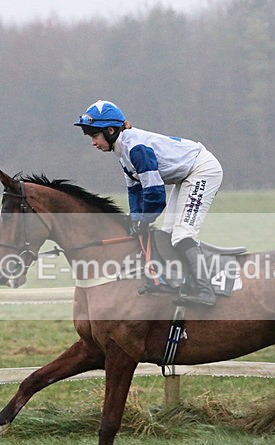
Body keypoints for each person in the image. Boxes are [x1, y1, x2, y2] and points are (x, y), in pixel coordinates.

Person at [74, 100, 223, 307]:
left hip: (202, 170)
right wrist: (136, 219)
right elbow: (135, 191)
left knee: (182, 234)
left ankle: (205, 291)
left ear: (110, 130)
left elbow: (154, 193)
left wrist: (144, 220)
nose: (93, 142)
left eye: (94, 135)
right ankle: (183, 282)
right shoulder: (122, 151)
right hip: (187, 174)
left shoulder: (136, 149)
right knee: (169, 233)